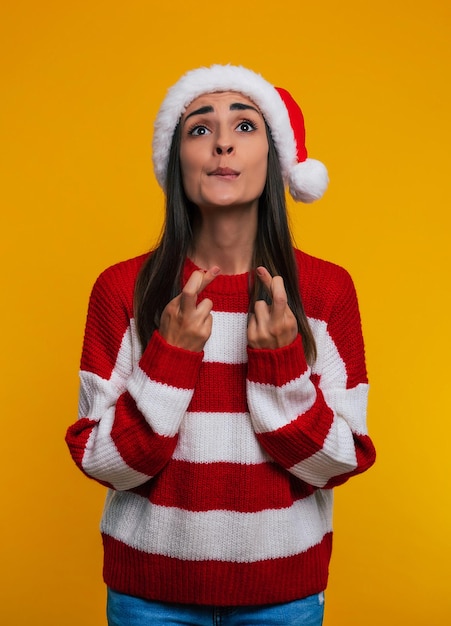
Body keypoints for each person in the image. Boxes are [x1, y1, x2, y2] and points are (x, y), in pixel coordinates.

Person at [66, 64, 376, 626]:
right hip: (148, 599)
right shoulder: (122, 290)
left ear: (276, 158)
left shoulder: (327, 292)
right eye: (200, 129)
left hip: (285, 598)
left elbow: (338, 463)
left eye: (246, 126)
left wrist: (282, 366)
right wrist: (171, 356)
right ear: (176, 159)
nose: (224, 142)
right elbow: (104, 463)